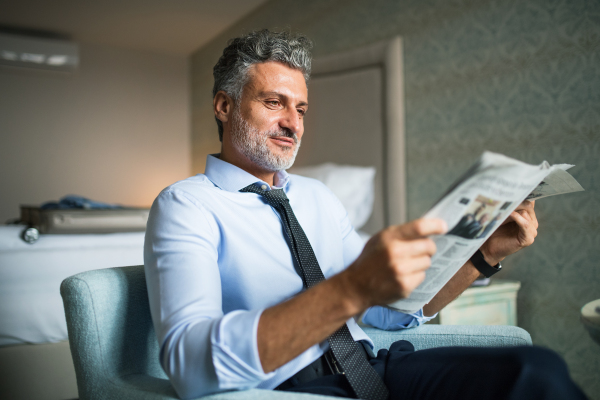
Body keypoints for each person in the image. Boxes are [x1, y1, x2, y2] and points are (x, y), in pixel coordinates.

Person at [144, 30, 587, 400]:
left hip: (373, 366)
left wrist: (483, 255)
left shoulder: (318, 197)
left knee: (536, 372)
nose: (293, 124)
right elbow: (188, 362)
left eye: (300, 109)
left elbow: (389, 310)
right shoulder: (186, 204)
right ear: (225, 106)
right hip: (288, 387)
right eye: (273, 103)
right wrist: (352, 288)